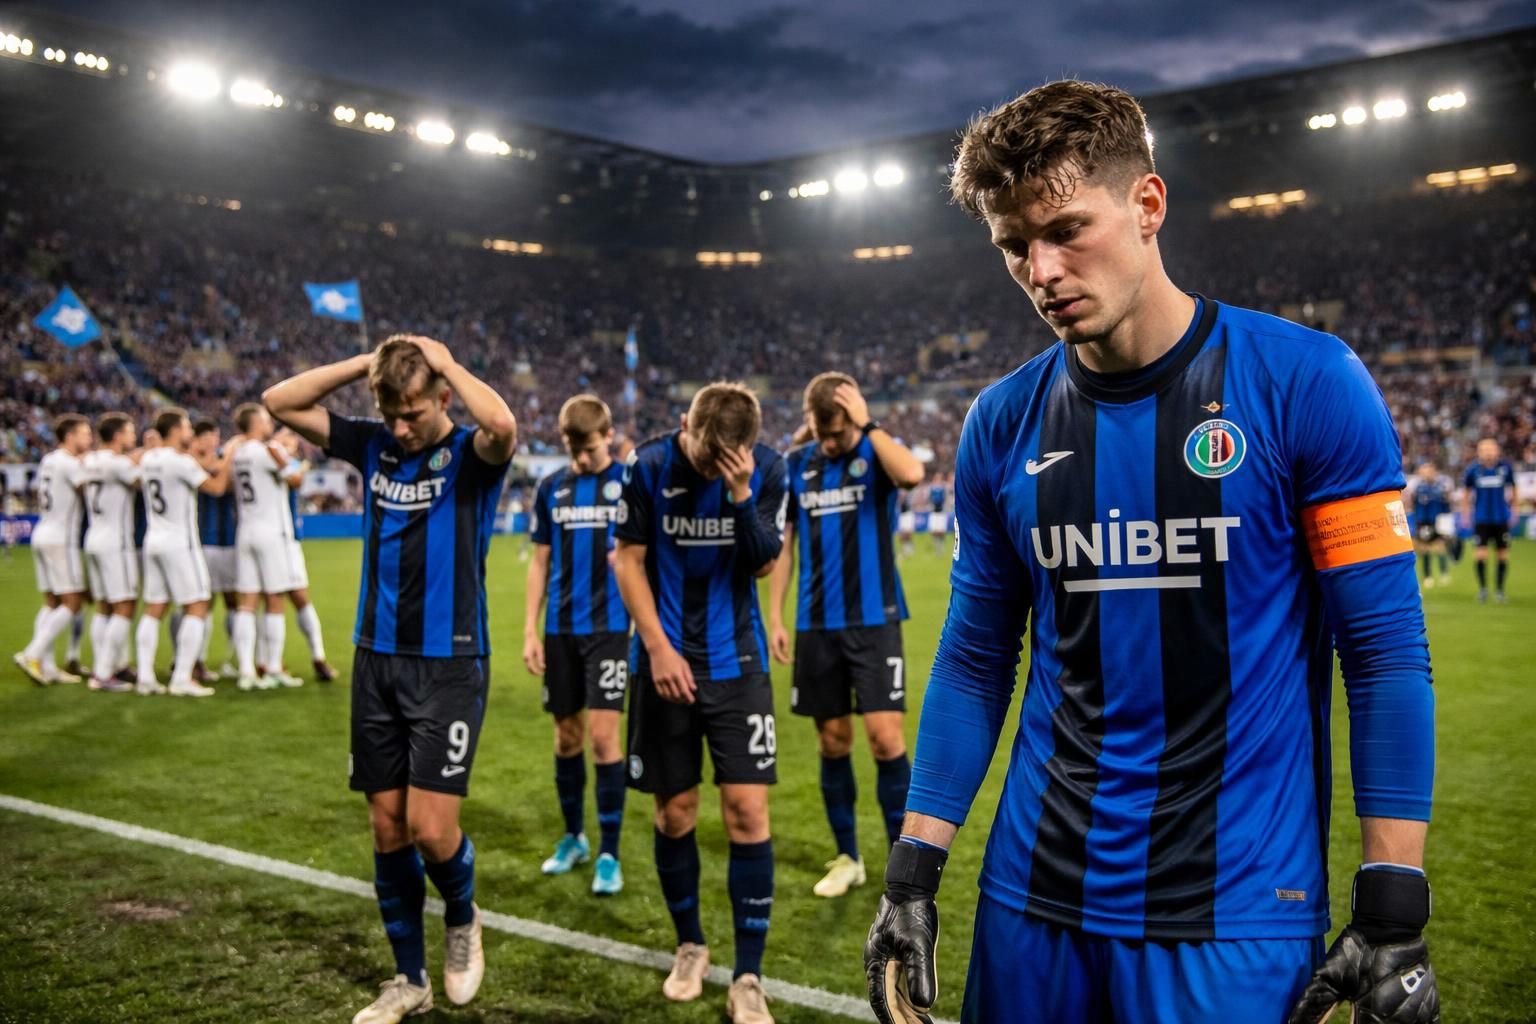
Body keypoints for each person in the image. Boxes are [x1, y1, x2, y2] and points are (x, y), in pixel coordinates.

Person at [863, 81, 1439, 1024]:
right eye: (1014, 246)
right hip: (1032, 901)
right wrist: (912, 876)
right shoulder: (1001, 422)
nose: (1042, 271)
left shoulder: (1308, 383)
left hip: (1236, 912)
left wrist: (1393, 905)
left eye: (1066, 230)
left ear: (1148, 203)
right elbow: (974, 657)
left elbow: (1383, 654)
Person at [263, 334, 515, 1024]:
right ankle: (409, 980)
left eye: (412, 413)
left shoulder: (470, 455)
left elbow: (502, 424)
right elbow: (278, 401)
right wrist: (363, 364)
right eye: (390, 413)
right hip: (376, 658)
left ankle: (462, 916)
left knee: (431, 829)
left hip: (450, 662)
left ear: (441, 396)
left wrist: (448, 362)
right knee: (386, 826)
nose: (400, 428)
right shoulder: (373, 443)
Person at [614, 382, 787, 1024]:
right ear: (685, 423)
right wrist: (658, 648)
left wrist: (739, 495)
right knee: (675, 813)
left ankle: (748, 976)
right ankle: (690, 945)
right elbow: (627, 561)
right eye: (702, 455)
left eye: (723, 461)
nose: (708, 467)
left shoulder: (767, 469)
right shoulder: (648, 464)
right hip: (663, 666)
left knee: (747, 813)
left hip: (738, 666)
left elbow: (764, 564)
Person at [768, 372, 924, 898]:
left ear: (853, 417)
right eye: (822, 433)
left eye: (837, 433)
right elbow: (785, 547)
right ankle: (847, 857)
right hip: (816, 626)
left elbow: (912, 474)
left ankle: (902, 868)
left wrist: (868, 425)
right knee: (832, 741)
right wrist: (776, 617)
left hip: (874, 622)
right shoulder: (797, 464)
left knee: (886, 740)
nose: (830, 443)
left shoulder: (875, 452)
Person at [524, 395, 631, 895]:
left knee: (604, 740)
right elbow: (539, 561)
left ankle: (609, 852)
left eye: (590, 448)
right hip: (561, 630)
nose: (583, 458)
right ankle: (574, 838)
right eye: (574, 450)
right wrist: (530, 629)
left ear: (608, 435)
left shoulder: (629, 484)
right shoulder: (551, 487)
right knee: (566, 737)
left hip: (610, 629)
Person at [136, 408, 235, 697]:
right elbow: (216, 487)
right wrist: (228, 456)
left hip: (153, 539)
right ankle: (182, 677)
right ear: (176, 431)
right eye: (186, 426)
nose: (190, 431)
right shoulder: (181, 462)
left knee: (154, 608)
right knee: (198, 605)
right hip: (180, 543)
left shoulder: (149, 458)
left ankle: (145, 677)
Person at [230, 403, 308, 691]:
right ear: (255, 423)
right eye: (265, 419)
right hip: (270, 532)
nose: (269, 424)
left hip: (245, 530)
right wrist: (295, 461)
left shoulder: (238, 453)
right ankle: (273, 667)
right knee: (275, 599)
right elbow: (296, 480)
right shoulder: (268, 451)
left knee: (247, 602)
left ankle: (246, 670)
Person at [14, 414, 93, 685]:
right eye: (85, 434)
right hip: (62, 538)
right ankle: (32, 654)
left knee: (52, 602)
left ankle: (46, 666)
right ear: (70, 436)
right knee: (73, 602)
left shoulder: (49, 459)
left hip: (42, 532)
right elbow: (89, 489)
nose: (89, 439)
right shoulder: (69, 463)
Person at [81, 412, 143, 692]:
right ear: (118, 436)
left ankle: (112, 664)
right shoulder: (119, 464)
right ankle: (103, 673)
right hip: (115, 542)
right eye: (130, 432)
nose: (134, 436)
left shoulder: (91, 460)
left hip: (93, 537)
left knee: (104, 606)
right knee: (125, 604)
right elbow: (142, 480)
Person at [272, 425, 337, 681]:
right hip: (280, 539)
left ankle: (314, 657)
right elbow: (296, 476)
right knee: (282, 598)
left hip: (282, 538)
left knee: (286, 598)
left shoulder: (282, 461)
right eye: (287, 435)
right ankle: (274, 663)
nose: (292, 441)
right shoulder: (276, 457)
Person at [192, 420, 240, 684]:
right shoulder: (190, 461)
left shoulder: (217, 460)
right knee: (202, 603)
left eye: (214, 436)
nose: (212, 441)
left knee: (234, 602)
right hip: (205, 540)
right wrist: (230, 452)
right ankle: (195, 659)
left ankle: (233, 659)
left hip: (230, 539)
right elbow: (219, 480)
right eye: (207, 436)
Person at [1462, 437, 1517, 603]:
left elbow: (1514, 489)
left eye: (1491, 449)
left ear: (1497, 450)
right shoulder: (1473, 470)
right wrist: (1466, 514)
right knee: (1480, 555)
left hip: (1501, 518)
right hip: (1481, 519)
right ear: (1479, 452)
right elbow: (1466, 493)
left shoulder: (1505, 468)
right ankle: (1483, 590)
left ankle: (1500, 590)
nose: (1488, 452)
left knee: (1502, 555)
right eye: (1484, 449)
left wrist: (1514, 511)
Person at [1405, 462, 1452, 589]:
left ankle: (1444, 573)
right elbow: (1413, 504)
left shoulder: (1441, 487)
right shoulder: (1418, 488)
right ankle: (1427, 576)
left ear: (1434, 472)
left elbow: (1446, 505)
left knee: (1440, 547)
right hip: (1423, 521)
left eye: (1429, 471)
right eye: (1424, 471)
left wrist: (1447, 523)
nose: (1427, 474)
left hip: (1438, 521)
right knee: (1424, 548)